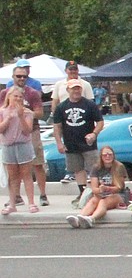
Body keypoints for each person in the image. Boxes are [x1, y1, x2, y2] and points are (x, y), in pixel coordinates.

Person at [51, 79, 104, 207]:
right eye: (74, 88)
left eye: (78, 88)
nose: (76, 91)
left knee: (94, 169)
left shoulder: (89, 105)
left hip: (89, 144)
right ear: (68, 90)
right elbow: (57, 126)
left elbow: (100, 122)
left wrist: (94, 134)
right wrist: (59, 143)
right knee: (78, 170)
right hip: (71, 144)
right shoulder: (61, 107)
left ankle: (95, 193)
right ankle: (82, 193)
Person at [3, 61, 49, 206]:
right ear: (13, 76)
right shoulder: (5, 93)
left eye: (24, 76)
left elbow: (40, 113)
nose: (22, 79)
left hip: (30, 132)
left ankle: (42, 195)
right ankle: (15, 197)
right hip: (9, 134)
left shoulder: (32, 93)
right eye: (19, 76)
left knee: (37, 163)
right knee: (12, 169)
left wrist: (27, 113)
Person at [66, 146, 128, 228]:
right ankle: (79, 218)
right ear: (101, 157)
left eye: (110, 154)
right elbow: (94, 189)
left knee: (103, 202)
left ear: (113, 155)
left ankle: (91, 219)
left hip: (118, 195)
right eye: (105, 155)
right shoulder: (96, 168)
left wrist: (108, 188)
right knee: (93, 200)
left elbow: (120, 187)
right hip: (102, 194)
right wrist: (100, 190)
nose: (108, 156)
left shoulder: (119, 166)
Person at [1, 86, 37, 215]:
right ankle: (12, 203)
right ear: (9, 97)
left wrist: (21, 116)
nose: (17, 99)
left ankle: (31, 202)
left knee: (26, 174)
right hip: (8, 145)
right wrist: (8, 118)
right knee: (12, 176)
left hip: (23, 145)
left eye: (20, 97)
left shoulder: (28, 113)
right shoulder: (2, 111)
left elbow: (27, 131)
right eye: (15, 96)